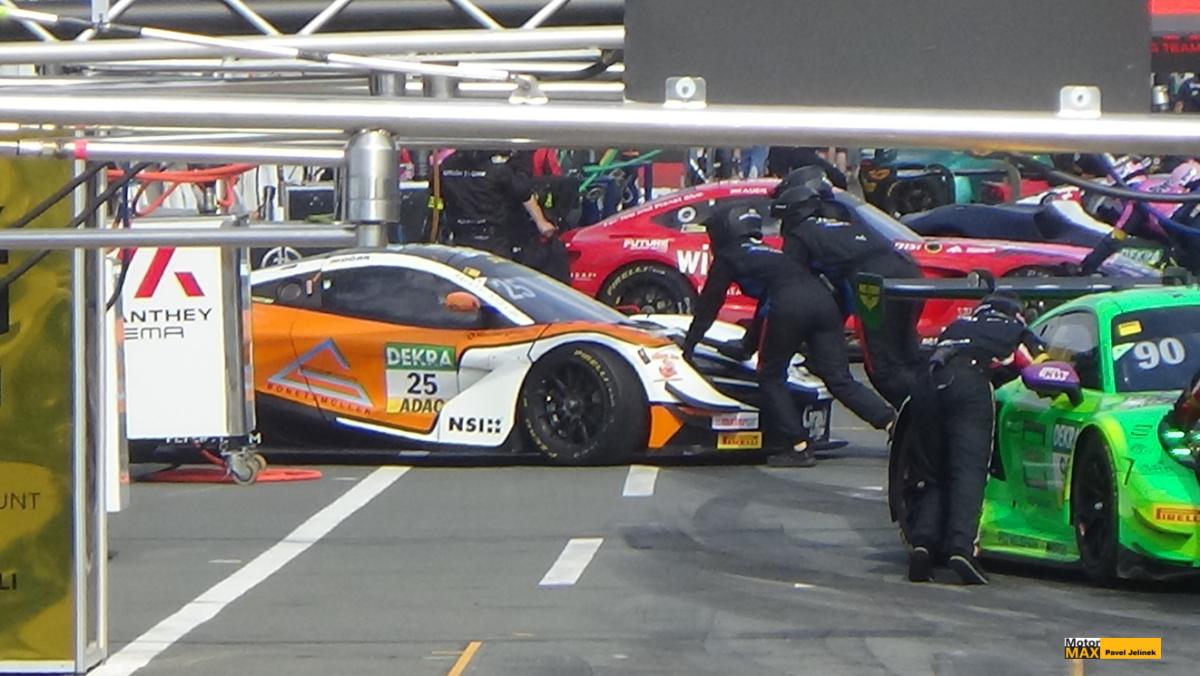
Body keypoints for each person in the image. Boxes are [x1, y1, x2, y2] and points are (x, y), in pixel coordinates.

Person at [681, 204, 895, 467]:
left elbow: (709, 304)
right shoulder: (771, 253)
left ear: (722, 232)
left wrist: (689, 345)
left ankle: (798, 445)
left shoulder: (729, 256)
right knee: (840, 379)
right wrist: (748, 345)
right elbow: (766, 303)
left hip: (790, 305)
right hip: (824, 302)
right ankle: (891, 422)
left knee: (771, 376)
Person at [895, 292, 1046, 585]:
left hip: (925, 386)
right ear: (1016, 314)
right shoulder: (1015, 330)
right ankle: (962, 548)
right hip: (968, 383)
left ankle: (923, 545)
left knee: (932, 473)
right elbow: (1040, 367)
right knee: (969, 472)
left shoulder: (957, 326)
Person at [769, 170, 925, 408]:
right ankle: (933, 404)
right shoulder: (844, 213)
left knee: (883, 367)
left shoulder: (801, 230)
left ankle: (919, 416)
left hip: (873, 281)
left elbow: (789, 287)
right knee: (907, 355)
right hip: (907, 269)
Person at [438, 149, 556, 258]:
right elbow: (523, 194)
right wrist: (541, 222)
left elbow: (436, 197)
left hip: (460, 238)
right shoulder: (496, 169)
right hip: (492, 240)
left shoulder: (446, 166)